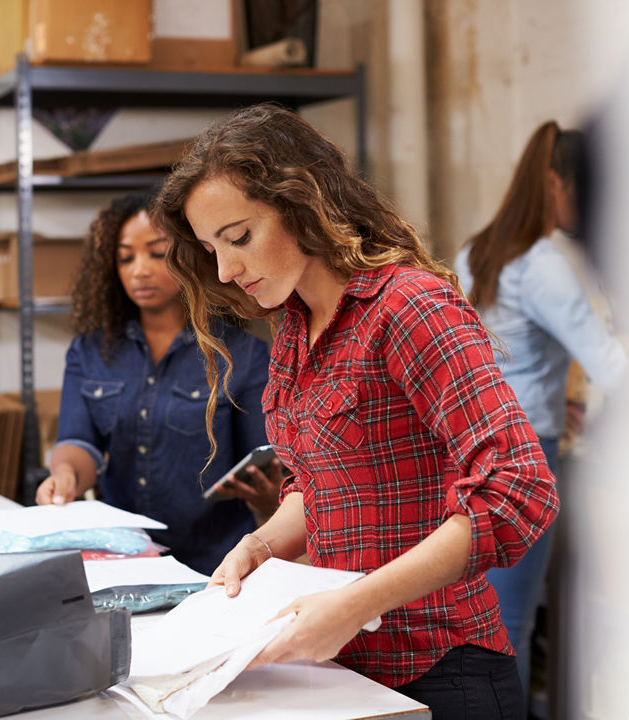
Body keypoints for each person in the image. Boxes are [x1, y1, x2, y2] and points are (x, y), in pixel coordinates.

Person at [152, 103, 559, 718]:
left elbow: (518, 489)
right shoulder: (294, 326)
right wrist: (261, 547)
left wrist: (354, 604)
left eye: (238, 238)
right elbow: (318, 485)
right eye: (212, 249)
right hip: (349, 673)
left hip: (444, 671)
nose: (226, 270)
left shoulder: (409, 308)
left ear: (303, 202)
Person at [454, 121, 626, 701]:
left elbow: (490, 362)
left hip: (471, 455)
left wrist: (558, 399)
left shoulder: (476, 252)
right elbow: (614, 370)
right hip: (528, 460)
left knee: (485, 625)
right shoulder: (545, 263)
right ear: (556, 183)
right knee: (514, 626)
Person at [35, 191, 281, 574]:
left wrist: (268, 499)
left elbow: (263, 462)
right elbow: (78, 441)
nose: (139, 270)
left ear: (189, 254)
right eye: (126, 257)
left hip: (216, 566)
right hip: (122, 559)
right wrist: (64, 475)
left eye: (155, 252)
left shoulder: (242, 355)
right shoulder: (90, 352)